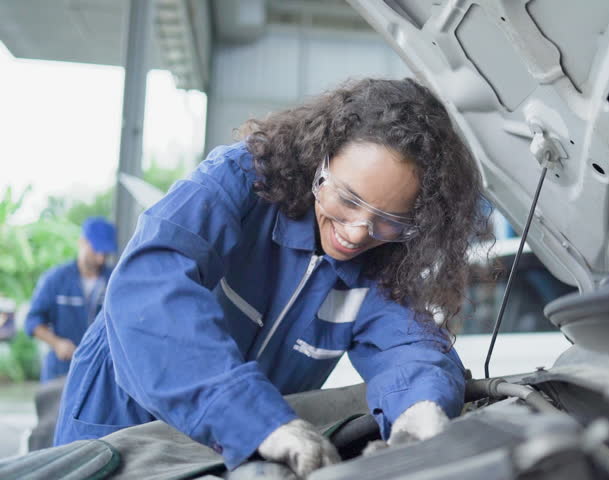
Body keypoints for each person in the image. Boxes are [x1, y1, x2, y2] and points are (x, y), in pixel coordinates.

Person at [54, 78, 489, 477]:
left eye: (390, 219)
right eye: (348, 198)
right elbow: (151, 292)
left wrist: (423, 405)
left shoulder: (381, 264)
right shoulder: (239, 182)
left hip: (240, 444)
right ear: (320, 157)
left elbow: (408, 346)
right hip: (121, 423)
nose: (358, 233)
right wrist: (255, 419)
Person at [25, 217, 116, 382]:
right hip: (61, 372)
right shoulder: (55, 280)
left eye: (106, 253)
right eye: (96, 251)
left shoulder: (115, 280)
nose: (101, 258)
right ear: (82, 242)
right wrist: (57, 343)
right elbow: (33, 321)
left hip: (101, 374)